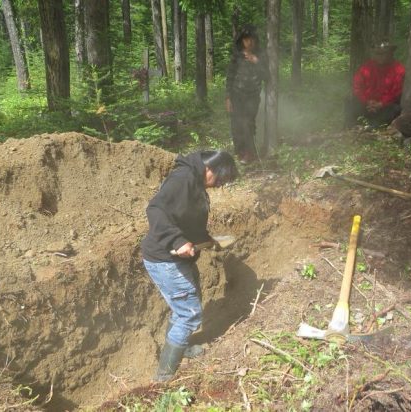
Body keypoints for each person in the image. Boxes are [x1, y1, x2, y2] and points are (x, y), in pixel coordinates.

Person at [141, 150, 239, 382]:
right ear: (209, 169)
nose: (218, 186)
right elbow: (155, 210)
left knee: (186, 304)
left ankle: (181, 348)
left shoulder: (195, 181)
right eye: (220, 180)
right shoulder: (182, 179)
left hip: (178, 258)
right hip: (165, 259)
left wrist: (205, 239)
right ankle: (164, 376)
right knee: (189, 313)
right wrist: (177, 241)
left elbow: (186, 217)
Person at [225, 25, 269, 164]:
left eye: (251, 39)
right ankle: (240, 152)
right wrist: (228, 98)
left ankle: (250, 153)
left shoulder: (261, 56)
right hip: (236, 95)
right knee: (236, 124)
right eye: (246, 39)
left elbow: (267, 76)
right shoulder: (237, 56)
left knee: (248, 123)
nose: (249, 42)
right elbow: (230, 77)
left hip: (253, 96)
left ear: (255, 40)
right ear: (241, 41)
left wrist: (256, 61)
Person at [344, 41, 406, 129]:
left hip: (385, 106)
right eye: (377, 53)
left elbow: (397, 92)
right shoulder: (366, 67)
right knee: (349, 99)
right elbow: (357, 86)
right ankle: (350, 126)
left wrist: (381, 104)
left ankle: (374, 127)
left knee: (395, 109)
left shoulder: (399, 68)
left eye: (383, 53)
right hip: (367, 104)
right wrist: (367, 101)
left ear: (391, 53)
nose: (380, 56)